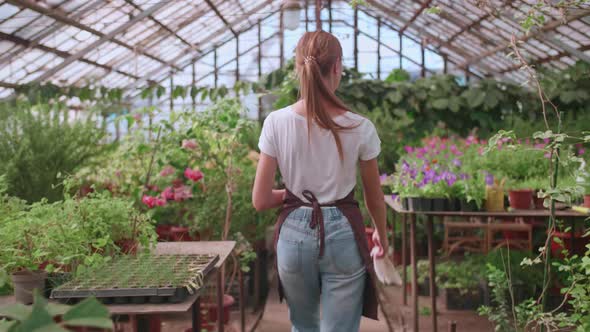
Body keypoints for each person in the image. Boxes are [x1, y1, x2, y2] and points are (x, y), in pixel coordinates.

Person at [252, 31, 391, 332]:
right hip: (344, 235)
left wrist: (294, 196)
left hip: (293, 236)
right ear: (337, 67)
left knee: (303, 327)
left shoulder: (276, 122)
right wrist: (382, 234)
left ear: (297, 67)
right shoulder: (360, 127)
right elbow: (374, 198)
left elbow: (260, 200)